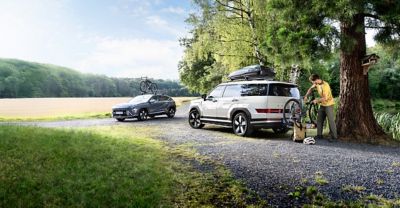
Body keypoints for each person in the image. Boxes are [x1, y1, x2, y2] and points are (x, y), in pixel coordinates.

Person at [304, 74, 338, 142]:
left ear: (316, 80)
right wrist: (306, 96)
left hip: (329, 104)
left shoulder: (325, 85)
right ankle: (319, 135)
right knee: (319, 119)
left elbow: (325, 98)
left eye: (312, 82)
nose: (312, 83)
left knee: (331, 121)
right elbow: (311, 89)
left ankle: (334, 137)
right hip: (322, 105)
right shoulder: (317, 84)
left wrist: (316, 100)